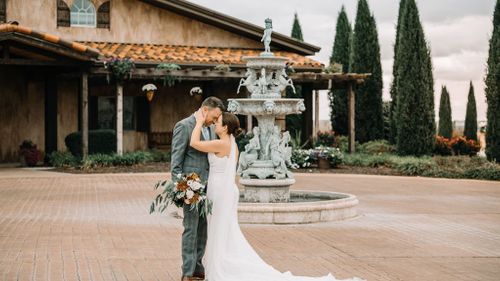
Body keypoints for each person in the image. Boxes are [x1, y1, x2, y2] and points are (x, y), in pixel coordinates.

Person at [189, 110, 365, 281]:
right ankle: (221, 261)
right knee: (222, 230)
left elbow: (194, 143)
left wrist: (198, 122)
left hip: (220, 191)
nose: (214, 124)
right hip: (223, 190)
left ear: (225, 127)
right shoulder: (230, 143)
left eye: (217, 122)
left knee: (219, 230)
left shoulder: (222, 144)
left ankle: (222, 264)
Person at [171, 96, 225, 281]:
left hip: (209, 186)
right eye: (215, 116)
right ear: (205, 110)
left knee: (203, 228)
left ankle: (198, 267)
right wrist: (181, 188)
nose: (216, 121)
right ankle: (187, 271)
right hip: (190, 185)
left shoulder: (210, 128)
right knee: (191, 228)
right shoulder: (184, 126)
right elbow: (176, 163)